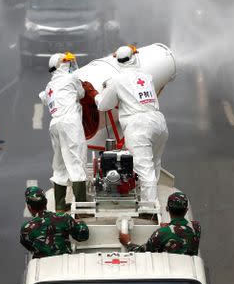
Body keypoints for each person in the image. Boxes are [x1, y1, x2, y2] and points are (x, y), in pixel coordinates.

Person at [95, 45, 168, 203]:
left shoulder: (116, 80)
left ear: (118, 61)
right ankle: (150, 198)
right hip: (158, 121)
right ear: (134, 57)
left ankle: (149, 210)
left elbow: (104, 105)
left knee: (144, 170)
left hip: (139, 126)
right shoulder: (147, 76)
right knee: (154, 164)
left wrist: (98, 96)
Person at [39, 52, 88, 212]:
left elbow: (45, 98)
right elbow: (81, 94)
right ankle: (81, 208)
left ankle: (60, 205)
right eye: (67, 62)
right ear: (63, 65)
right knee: (76, 160)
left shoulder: (49, 86)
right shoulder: (71, 79)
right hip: (70, 123)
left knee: (59, 164)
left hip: (55, 124)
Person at [119, 192, 200, 255]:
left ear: (167, 209)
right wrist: (170, 226)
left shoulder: (161, 233)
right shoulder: (196, 227)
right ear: (186, 210)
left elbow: (142, 252)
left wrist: (127, 243)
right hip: (188, 267)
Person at [20, 186, 89, 258]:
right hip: (65, 263)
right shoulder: (64, 217)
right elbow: (83, 236)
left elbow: (28, 246)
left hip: (42, 265)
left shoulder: (26, 229)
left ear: (29, 207)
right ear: (46, 203)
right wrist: (80, 222)